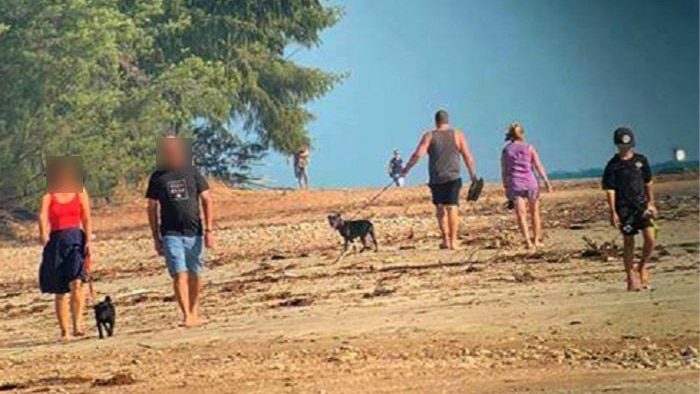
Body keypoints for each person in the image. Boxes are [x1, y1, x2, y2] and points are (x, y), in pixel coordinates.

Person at [146, 134, 214, 327]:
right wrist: (155, 237)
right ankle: (185, 315)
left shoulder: (192, 172)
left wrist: (209, 230)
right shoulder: (158, 176)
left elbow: (207, 200)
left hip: (194, 232)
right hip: (170, 233)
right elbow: (151, 207)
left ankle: (194, 310)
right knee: (179, 273)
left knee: (195, 274)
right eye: (167, 149)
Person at [402, 109, 478, 250]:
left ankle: (445, 240)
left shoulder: (429, 136)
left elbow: (418, 154)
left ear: (436, 121)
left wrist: (406, 169)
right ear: (447, 121)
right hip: (453, 177)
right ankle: (453, 241)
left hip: (436, 177)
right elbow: (467, 156)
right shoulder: (457, 135)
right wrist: (473, 174)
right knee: (453, 207)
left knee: (440, 208)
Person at [38, 157, 92, 342]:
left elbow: (86, 218)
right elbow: (42, 215)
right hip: (56, 241)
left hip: (76, 237)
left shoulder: (80, 191)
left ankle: (78, 324)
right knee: (60, 290)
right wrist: (44, 235)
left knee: (77, 282)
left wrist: (89, 238)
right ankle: (64, 331)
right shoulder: (49, 194)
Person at [602, 127, 656, 291]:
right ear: (617, 145)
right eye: (623, 146)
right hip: (624, 208)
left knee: (650, 239)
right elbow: (610, 190)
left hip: (643, 206)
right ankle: (630, 275)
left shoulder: (641, 161)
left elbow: (649, 182)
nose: (626, 149)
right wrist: (613, 212)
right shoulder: (613, 165)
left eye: (629, 145)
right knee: (629, 242)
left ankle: (642, 266)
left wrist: (652, 203)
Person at [501, 123, 553, 249]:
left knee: (521, 214)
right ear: (522, 134)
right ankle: (536, 240)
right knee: (535, 212)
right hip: (531, 182)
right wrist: (546, 181)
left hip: (515, 183)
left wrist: (506, 186)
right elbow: (538, 165)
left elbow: (504, 170)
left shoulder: (506, 150)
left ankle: (528, 241)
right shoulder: (529, 147)